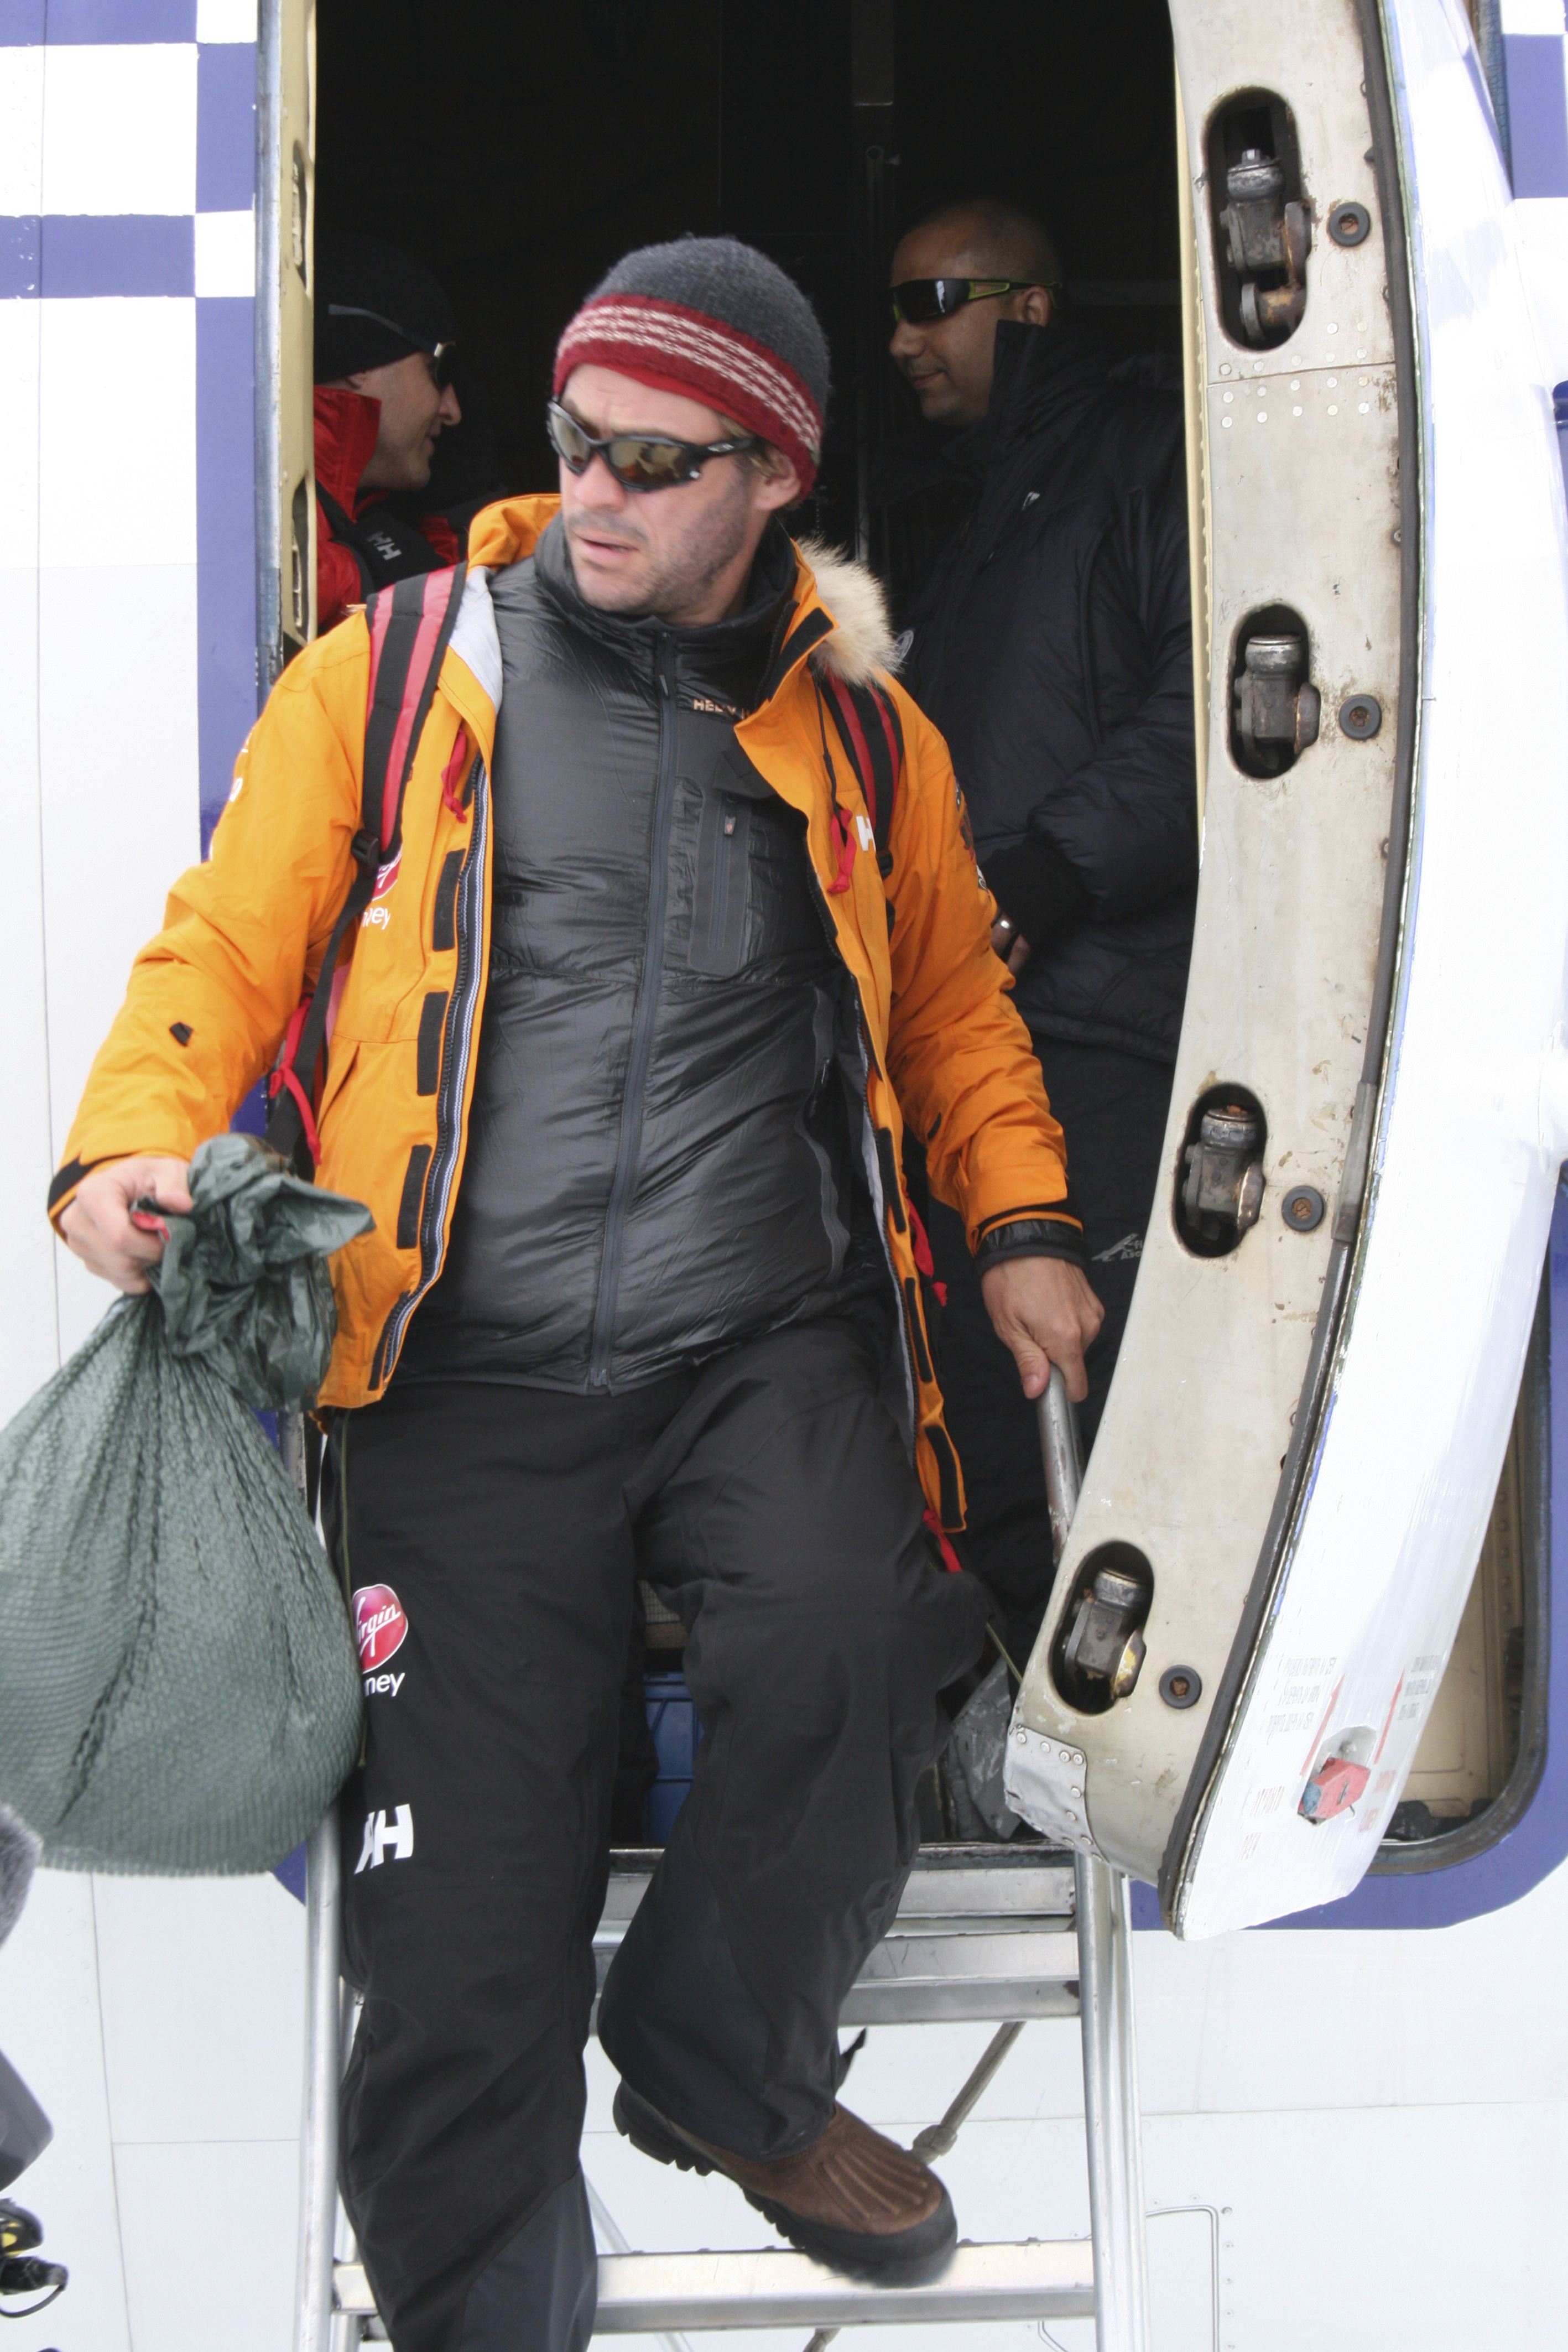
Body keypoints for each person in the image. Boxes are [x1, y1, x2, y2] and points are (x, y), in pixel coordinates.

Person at [53, 237, 1102, 2352]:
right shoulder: (397, 666)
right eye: (572, 446)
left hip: (762, 1343)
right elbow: (220, 938)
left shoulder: (869, 744)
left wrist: (1021, 1230)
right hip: (456, 1369)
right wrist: (123, 1141)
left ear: (768, 482)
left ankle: (722, 2060)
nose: (596, 492)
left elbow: (959, 1016)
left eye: (655, 458)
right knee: (457, 1958)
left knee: (854, 1641)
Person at [884, 194, 1197, 1654]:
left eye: (929, 297)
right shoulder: (976, 526)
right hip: (975, 1047)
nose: (899, 338)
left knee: (1091, 1422)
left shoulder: (1144, 457)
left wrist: (1044, 880)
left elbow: (1218, 708)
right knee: (986, 1428)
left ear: (1026, 307)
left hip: (1103, 1025)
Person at [314, 232, 504, 631]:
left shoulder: (365, 523)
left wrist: (462, 508)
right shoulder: (249, 499)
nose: (453, 411)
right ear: (359, 357)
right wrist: (360, 575)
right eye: (440, 369)